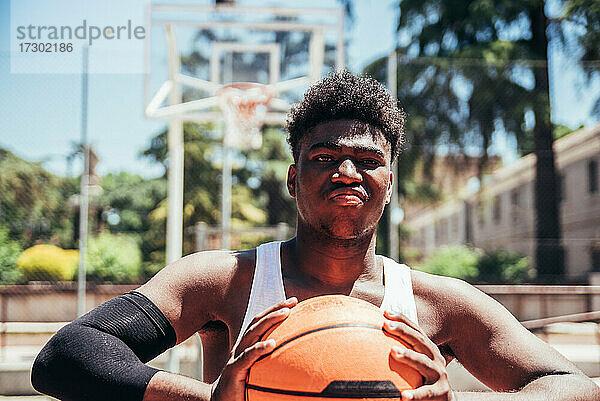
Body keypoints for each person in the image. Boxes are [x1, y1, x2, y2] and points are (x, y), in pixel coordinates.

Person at [32, 70, 599, 401]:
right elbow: (67, 356)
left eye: (366, 159)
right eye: (324, 157)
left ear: (389, 182)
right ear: (293, 177)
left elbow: (572, 385)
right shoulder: (225, 281)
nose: (345, 172)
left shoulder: (435, 304)